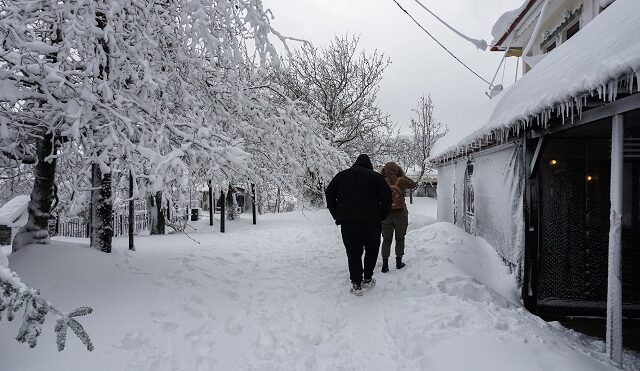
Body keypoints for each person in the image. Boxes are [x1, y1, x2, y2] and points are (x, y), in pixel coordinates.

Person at [325, 154, 392, 296]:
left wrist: (336, 214)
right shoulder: (376, 178)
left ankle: (356, 284)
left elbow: (329, 193)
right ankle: (367, 279)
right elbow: (387, 197)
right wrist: (382, 215)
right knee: (372, 250)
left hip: (349, 224)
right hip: (371, 223)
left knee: (353, 253)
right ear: (369, 165)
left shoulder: (342, 176)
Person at [380, 162, 417, 273]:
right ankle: (398, 262)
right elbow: (413, 184)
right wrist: (401, 176)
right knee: (400, 238)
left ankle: (385, 265)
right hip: (401, 214)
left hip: (386, 215)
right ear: (397, 169)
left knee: (386, 240)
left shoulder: (380, 180)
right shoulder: (401, 180)